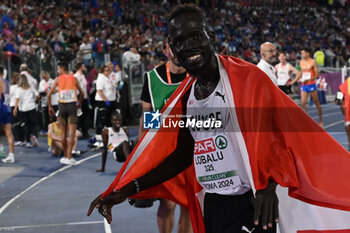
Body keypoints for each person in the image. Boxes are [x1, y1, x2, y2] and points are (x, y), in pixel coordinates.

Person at [88, 4, 350, 233]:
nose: (188, 46)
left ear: (210, 37)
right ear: (172, 51)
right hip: (212, 204)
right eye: (179, 41)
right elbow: (181, 155)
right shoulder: (185, 96)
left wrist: (269, 186)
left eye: (194, 36)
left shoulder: (248, 79)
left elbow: (282, 132)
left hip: (251, 204)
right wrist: (128, 188)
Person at [138, 42, 192, 233]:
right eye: (173, 47)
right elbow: (148, 117)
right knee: (167, 205)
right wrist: (140, 156)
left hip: (193, 150)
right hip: (165, 153)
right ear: (166, 50)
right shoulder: (153, 78)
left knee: (189, 207)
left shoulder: (197, 74)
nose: (178, 51)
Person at [47, 62, 84, 165]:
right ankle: (70, 156)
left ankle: (66, 157)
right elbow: (82, 93)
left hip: (62, 107)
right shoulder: (74, 79)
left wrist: (50, 106)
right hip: (72, 106)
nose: (58, 70)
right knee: (71, 134)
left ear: (62, 68)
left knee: (63, 134)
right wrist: (79, 103)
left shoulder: (58, 79)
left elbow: (49, 94)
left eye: (58, 69)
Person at [290, 48, 323, 127]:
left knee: (317, 103)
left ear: (308, 54)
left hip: (311, 84)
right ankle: (304, 122)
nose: (302, 55)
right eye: (301, 53)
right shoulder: (301, 62)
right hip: (304, 85)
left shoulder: (313, 62)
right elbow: (301, 73)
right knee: (303, 104)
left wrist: (309, 79)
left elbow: (317, 75)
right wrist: (299, 79)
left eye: (304, 53)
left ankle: (321, 120)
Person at [13, 74, 39, 148]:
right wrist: (34, 99)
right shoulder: (30, 87)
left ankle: (28, 141)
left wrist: (15, 108)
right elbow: (38, 95)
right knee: (33, 123)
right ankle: (33, 135)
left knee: (26, 125)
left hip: (23, 109)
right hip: (32, 107)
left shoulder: (18, 89)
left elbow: (17, 99)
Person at [94, 65, 117, 137]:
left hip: (111, 100)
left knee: (110, 118)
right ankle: (99, 134)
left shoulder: (109, 78)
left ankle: (109, 133)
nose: (108, 71)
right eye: (106, 70)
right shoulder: (101, 79)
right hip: (103, 102)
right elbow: (99, 90)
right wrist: (105, 100)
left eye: (109, 70)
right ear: (103, 71)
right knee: (102, 118)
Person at [0, 66, 15, 163]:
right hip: (6, 107)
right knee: (8, 132)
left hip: (1, 107)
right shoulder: (7, 82)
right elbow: (7, 96)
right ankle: (11, 154)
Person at [74, 62, 90, 138]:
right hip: (78, 97)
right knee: (79, 116)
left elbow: (85, 88)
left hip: (85, 98)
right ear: (80, 67)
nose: (85, 68)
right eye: (83, 66)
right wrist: (77, 101)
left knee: (86, 115)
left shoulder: (83, 76)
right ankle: (77, 131)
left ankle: (85, 131)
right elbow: (74, 89)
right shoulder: (75, 77)